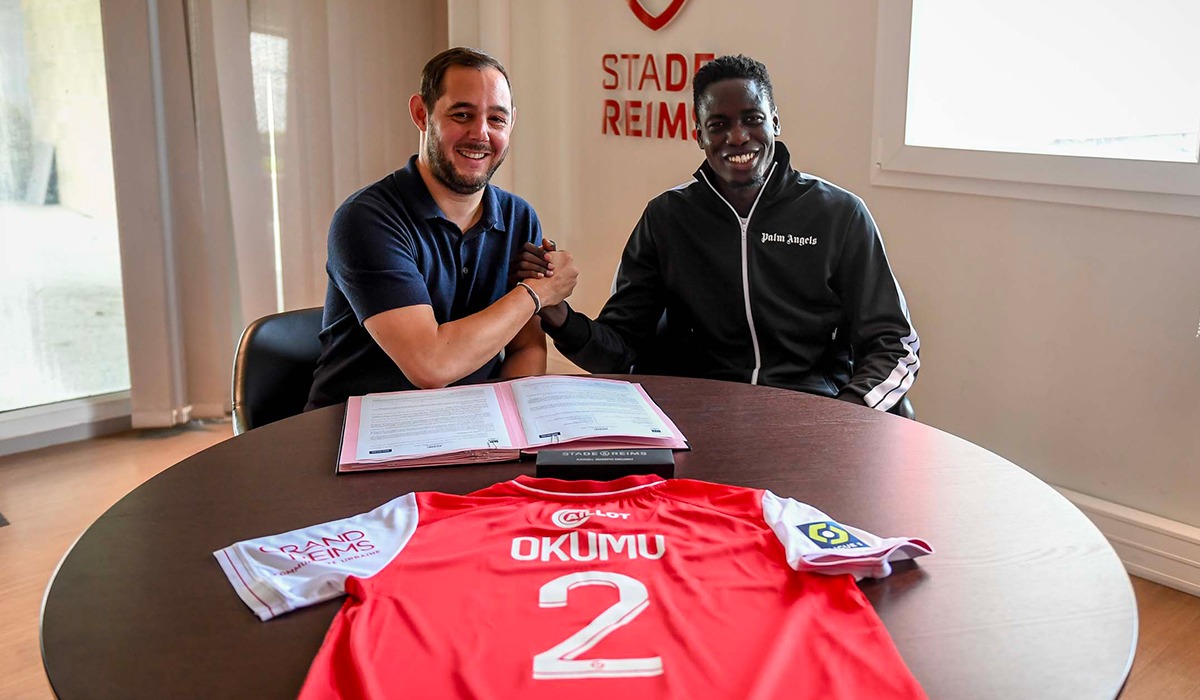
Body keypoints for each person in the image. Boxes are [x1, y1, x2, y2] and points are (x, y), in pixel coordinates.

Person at [518, 55, 917, 412]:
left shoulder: (838, 214)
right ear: (699, 135)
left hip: (807, 410)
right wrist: (557, 313)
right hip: (700, 416)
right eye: (718, 124)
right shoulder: (668, 217)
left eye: (752, 119)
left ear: (775, 121)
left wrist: (845, 413)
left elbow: (894, 343)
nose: (738, 137)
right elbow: (620, 350)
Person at [306, 47, 577, 409]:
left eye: (496, 119)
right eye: (462, 114)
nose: (480, 134)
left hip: (469, 427)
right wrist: (536, 294)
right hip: (362, 434)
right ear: (422, 114)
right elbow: (430, 365)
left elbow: (526, 347)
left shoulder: (519, 217)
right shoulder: (365, 219)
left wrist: (509, 426)